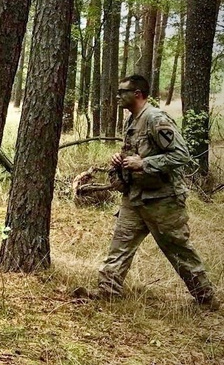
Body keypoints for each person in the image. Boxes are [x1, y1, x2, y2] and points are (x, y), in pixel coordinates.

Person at [91, 74, 219, 311]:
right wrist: (120, 160)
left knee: (177, 249)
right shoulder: (133, 120)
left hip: (163, 200)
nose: (118, 96)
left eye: (123, 92)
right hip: (136, 196)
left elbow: (181, 155)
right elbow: (136, 152)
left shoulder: (155, 118)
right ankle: (106, 293)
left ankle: (206, 298)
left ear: (137, 94)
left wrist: (145, 164)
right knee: (120, 245)